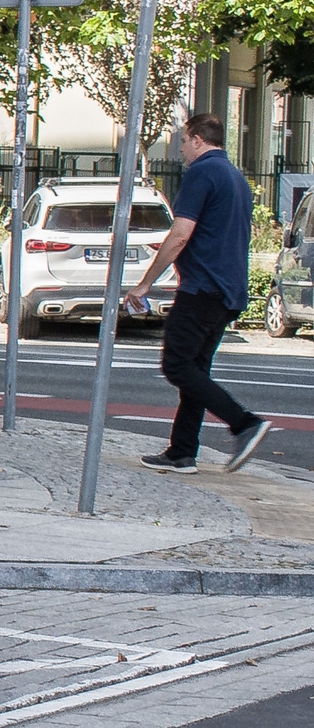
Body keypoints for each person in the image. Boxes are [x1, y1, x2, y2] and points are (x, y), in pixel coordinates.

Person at [126, 114, 269, 473]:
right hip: (227, 290)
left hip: (202, 287)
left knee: (176, 365)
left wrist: (145, 283)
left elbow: (181, 233)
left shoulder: (202, 173)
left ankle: (244, 423)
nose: (181, 150)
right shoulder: (237, 178)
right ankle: (182, 451)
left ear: (199, 140)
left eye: (184, 142)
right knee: (196, 369)